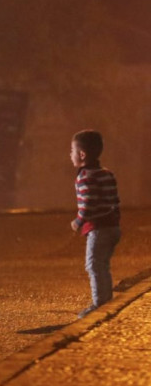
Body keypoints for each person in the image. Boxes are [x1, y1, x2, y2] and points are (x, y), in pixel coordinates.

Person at [69, 129, 121, 318]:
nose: (70, 155)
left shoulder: (85, 177)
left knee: (93, 264)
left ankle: (100, 304)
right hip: (113, 227)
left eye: (72, 151)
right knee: (102, 264)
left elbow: (87, 203)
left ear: (82, 155)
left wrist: (78, 221)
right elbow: (116, 201)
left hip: (98, 229)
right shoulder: (107, 173)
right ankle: (106, 301)